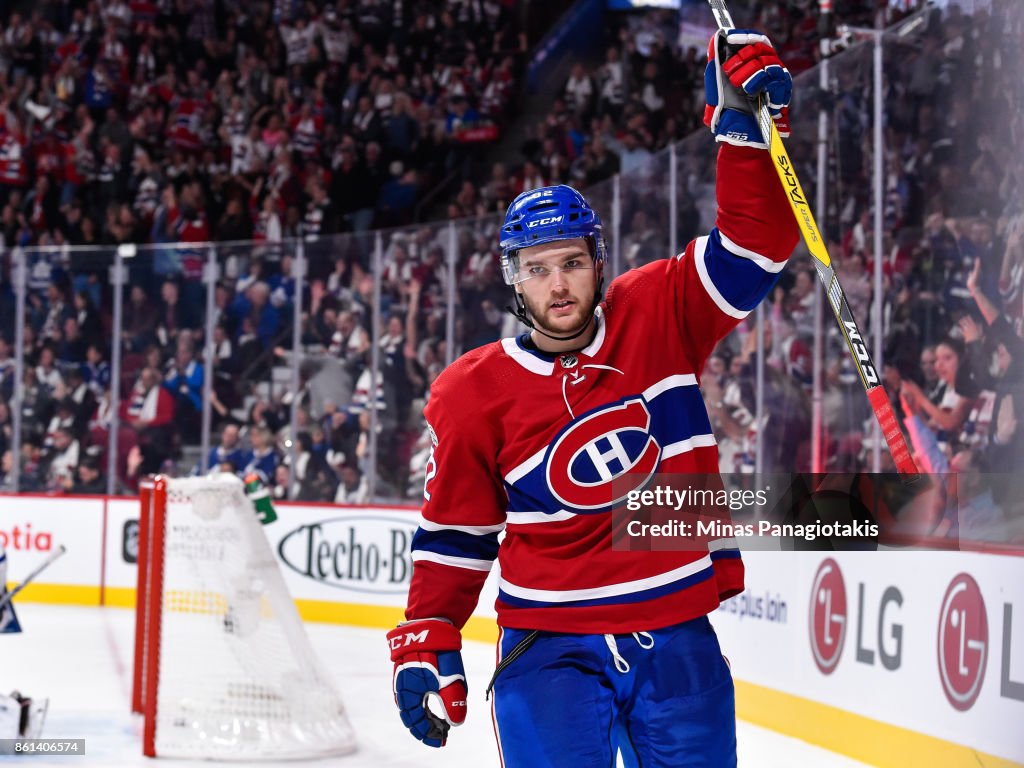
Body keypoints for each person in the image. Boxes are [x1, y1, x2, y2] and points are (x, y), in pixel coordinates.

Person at [387, 29, 798, 767]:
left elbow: (756, 247)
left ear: (597, 261)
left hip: (676, 635)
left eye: (572, 263)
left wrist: (743, 139)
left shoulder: (661, 311)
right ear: (514, 281)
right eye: (538, 269)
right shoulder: (473, 391)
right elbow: (457, 533)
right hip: (550, 649)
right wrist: (429, 637)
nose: (559, 285)